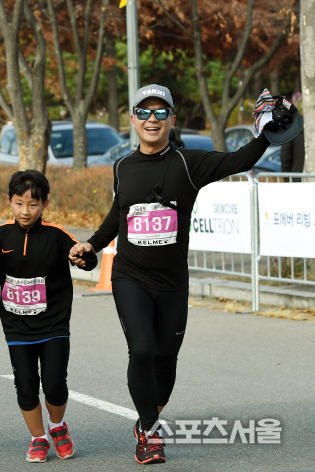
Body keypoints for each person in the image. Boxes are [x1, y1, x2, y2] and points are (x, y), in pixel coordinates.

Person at [70, 84, 276, 465]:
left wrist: (267, 133)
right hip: (130, 277)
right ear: (132, 119)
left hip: (172, 283)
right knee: (142, 351)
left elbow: (239, 160)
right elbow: (119, 215)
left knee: (166, 361)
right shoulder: (122, 166)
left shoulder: (187, 163)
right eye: (144, 112)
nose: (152, 119)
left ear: (172, 120)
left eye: (160, 112)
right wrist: (92, 245)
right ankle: (149, 433)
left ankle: (149, 415)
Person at [0, 170, 97, 463]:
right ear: (10, 201)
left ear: (44, 203)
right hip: (17, 325)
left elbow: (85, 259)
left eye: (32, 204)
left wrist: (84, 255)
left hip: (54, 323)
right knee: (26, 384)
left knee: (55, 383)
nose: (25, 211)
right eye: (19, 204)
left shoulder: (57, 236)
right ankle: (38, 437)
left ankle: (57, 427)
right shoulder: (1, 235)